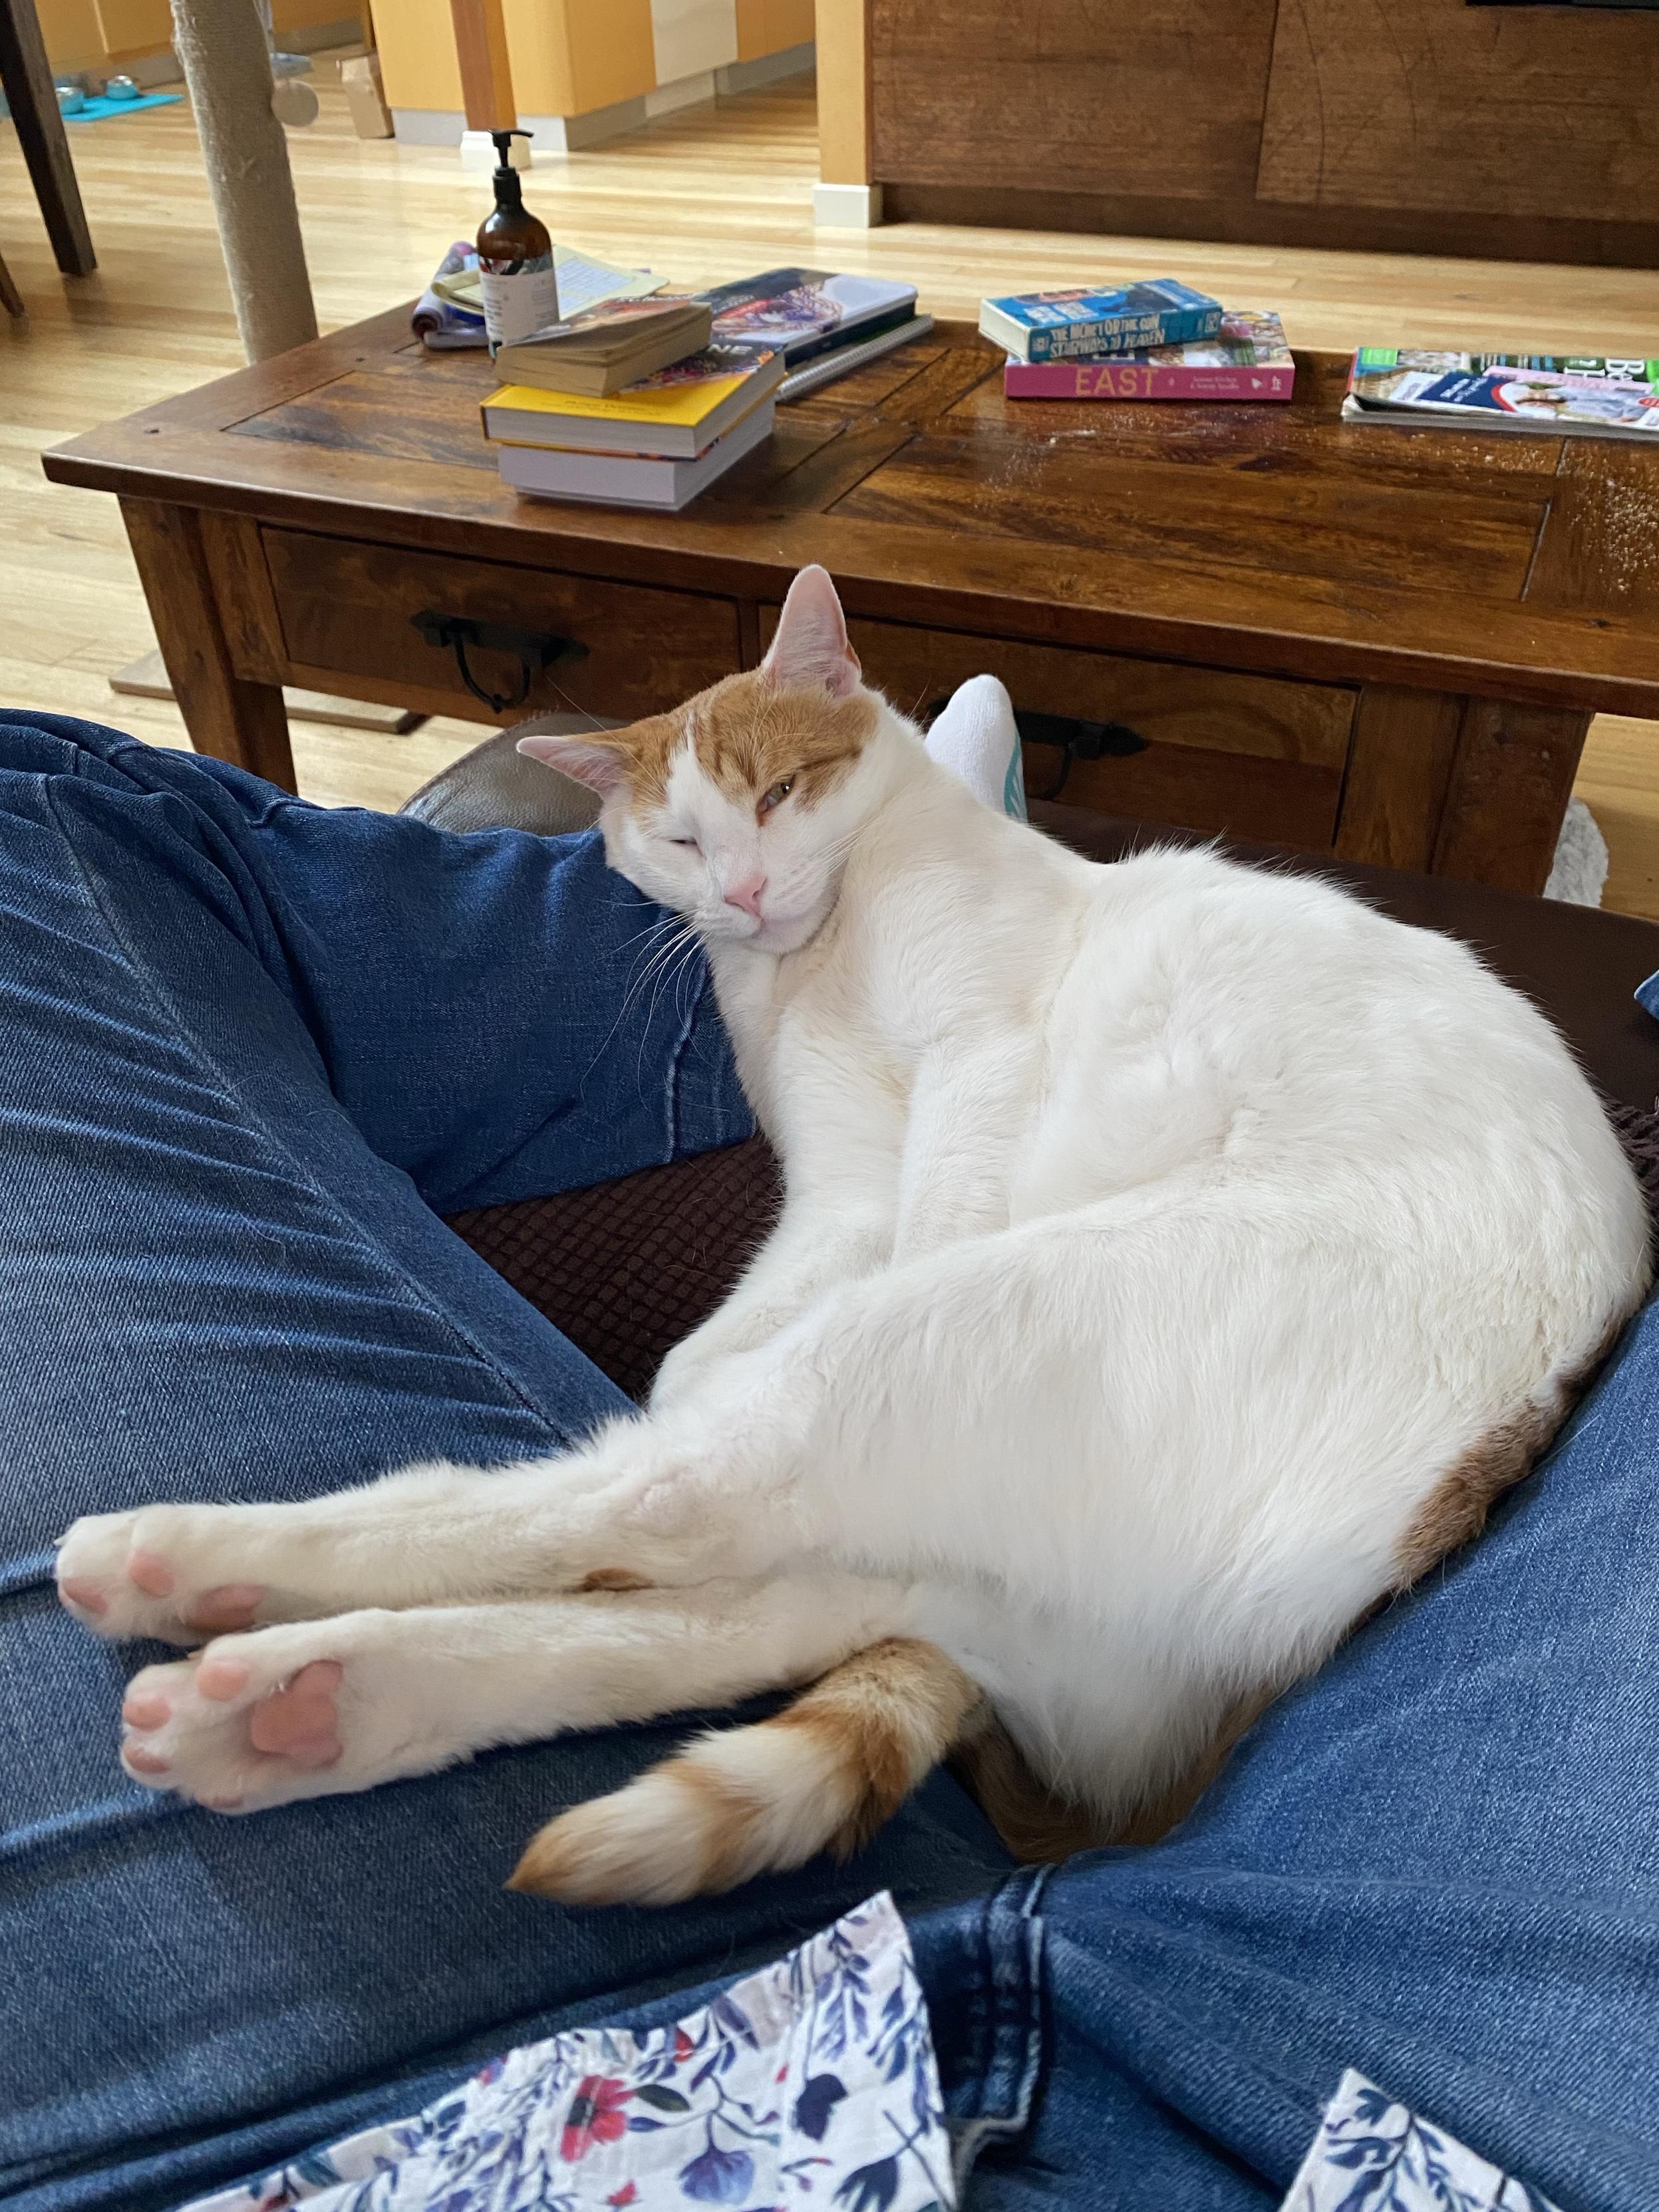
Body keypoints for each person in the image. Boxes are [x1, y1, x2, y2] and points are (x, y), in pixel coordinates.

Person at [3, 711, 1657, 2212]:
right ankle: (539, 1651)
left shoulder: (943, 890)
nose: (740, 875)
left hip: (1336, 1322)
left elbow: (966, 1111)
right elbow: (858, 1215)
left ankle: (447, 1558)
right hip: (1212, 1573)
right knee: (846, 1528)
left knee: (39, 802)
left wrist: (794, 1398)